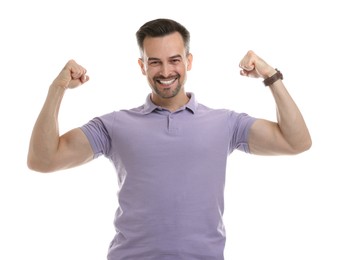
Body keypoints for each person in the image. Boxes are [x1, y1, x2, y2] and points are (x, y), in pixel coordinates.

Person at [27, 18, 312, 260]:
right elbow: (43, 160)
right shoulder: (114, 125)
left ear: (188, 61)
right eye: (155, 62)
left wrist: (270, 75)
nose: (165, 72)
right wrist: (57, 88)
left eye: (174, 60)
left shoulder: (226, 123)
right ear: (142, 66)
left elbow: (296, 142)